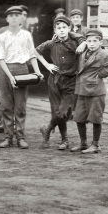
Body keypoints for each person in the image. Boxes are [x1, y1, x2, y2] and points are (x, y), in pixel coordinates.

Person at [0, 6, 45, 149]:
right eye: (11, 15)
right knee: (6, 105)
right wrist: (10, 76)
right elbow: (0, 59)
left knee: (20, 106)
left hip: (22, 69)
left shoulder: (26, 35)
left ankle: (21, 137)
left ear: (21, 18)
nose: (14, 18)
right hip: (5, 71)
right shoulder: (2, 36)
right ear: (7, 18)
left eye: (17, 15)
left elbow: (32, 55)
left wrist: (37, 72)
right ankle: (7, 137)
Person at [34, 15, 87, 149]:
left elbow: (83, 39)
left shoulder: (76, 41)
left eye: (64, 27)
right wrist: (47, 65)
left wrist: (83, 44)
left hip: (71, 81)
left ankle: (47, 128)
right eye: (59, 28)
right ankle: (65, 140)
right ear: (55, 31)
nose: (62, 30)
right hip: (55, 80)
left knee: (65, 110)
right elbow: (34, 52)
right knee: (57, 110)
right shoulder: (51, 43)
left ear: (69, 28)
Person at [71, 29, 108, 154]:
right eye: (89, 41)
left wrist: (100, 74)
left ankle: (96, 145)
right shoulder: (83, 52)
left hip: (96, 92)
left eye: (95, 41)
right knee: (79, 117)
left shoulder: (103, 54)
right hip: (82, 90)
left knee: (95, 118)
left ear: (100, 42)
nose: (92, 44)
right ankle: (83, 143)